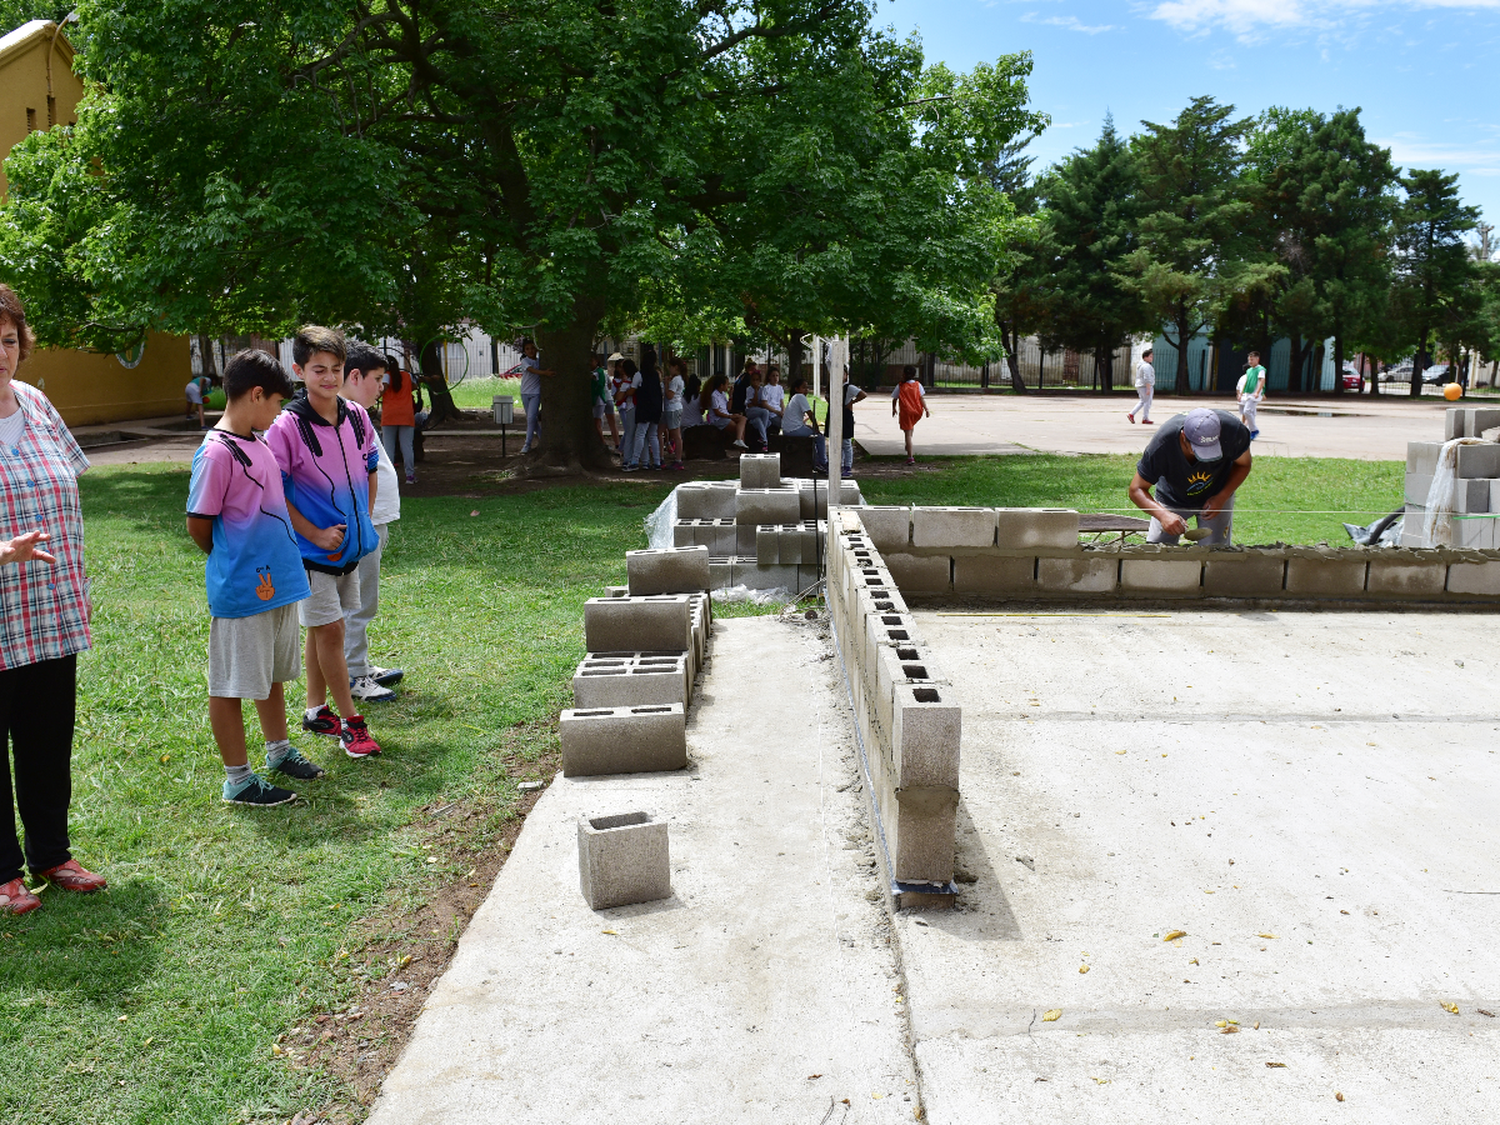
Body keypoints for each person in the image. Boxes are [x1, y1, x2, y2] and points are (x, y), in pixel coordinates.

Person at [0, 284, 108, 915]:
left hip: (48, 607)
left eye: (10, 340)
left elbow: (68, 492)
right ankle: (2, 873)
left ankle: (51, 853)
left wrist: (78, 586)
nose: (2, 353)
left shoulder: (38, 405)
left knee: (46, 739)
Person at [187, 349, 323, 808]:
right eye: (277, 405)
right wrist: (233, 559)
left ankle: (279, 750)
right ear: (257, 394)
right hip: (245, 589)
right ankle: (238, 780)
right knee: (230, 683)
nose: (279, 414)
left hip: (279, 583)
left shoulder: (259, 441)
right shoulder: (216, 453)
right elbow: (199, 524)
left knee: (269, 676)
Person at [265, 326, 382, 758]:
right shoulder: (286, 427)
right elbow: (272, 490)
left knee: (324, 629)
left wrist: (363, 518)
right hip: (310, 552)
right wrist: (313, 533)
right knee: (331, 629)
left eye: (336, 369)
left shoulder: (356, 415)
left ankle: (317, 710)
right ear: (299, 371)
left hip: (347, 549)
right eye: (319, 370)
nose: (329, 377)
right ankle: (353, 723)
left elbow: (370, 465)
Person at [341, 345, 404, 704]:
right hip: (362, 523)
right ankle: (354, 674)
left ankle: (359, 664)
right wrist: (362, 520)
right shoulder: (345, 415)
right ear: (355, 376)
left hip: (372, 521)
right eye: (377, 379)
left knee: (365, 598)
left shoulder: (355, 414)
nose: (382, 387)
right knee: (358, 601)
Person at [1129, 407, 1253, 546]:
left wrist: (1222, 496)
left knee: (1215, 553)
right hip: (1172, 497)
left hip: (1217, 491)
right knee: (1157, 552)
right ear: (1183, 436)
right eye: (1197, 450)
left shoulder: (1233, 432)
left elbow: (1243, 465)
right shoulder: (1163, 444)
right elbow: (1136, 489)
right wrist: (1163, 515)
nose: (1204, 458)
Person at [379, 353, 418, 485]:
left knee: (388, 447)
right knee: (407, 446)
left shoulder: (385, 377)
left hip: (390, 415)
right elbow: (414, 386)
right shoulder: (407, 376)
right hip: (406, 414)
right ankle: (410, 476)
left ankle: (389, 478)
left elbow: (381, 391)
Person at [781, 374, 830, 472]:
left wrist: (806, 427)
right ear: (797, 389)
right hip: (793, 429)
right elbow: (810, 414)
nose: (806, 390)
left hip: (788, 429)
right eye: (804, 387)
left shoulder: (794, 398)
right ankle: (823, 462)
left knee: (813, 437)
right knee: (819, 437)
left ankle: (816, 461)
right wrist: (816, 428)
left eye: (807, 387)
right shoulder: (800, 397)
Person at [625, 348, 663, 471]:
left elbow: (632, 390)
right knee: (653, 435)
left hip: (644, 408)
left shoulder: (639, 374)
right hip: (656, 407)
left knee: (640, 434)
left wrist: (624, 392)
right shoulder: (656, 375)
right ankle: (657, 462)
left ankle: (635, 460)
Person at [516, 339, 554, 455]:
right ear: (524, 351)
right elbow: (531, 370)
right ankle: (543, 439)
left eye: (532, 348)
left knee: (531, 418)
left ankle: (527, 444)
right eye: (527, 349)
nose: (530, 351)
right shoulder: (524, 361)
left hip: (536, 393)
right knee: (532, 419)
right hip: (525, 392)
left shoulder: (540, 362)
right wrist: (544, 373)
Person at [892, 364, 931, 465]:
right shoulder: (918, 385)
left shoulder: (900, 385)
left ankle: (910, 456)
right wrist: (926, 409)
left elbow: (894, 399)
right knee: (911, 427)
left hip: (906, 411)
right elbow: (921, 398)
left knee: (907, 434)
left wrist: (894, 409)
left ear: (904, 374)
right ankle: (908, 446)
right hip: (917, 411)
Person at [703, 373, 749, 449]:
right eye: (727, 384)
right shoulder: (714, 395)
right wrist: (730, 416)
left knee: (743, 419)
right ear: (721, 385)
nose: (728, 386)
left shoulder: (723, 394)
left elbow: (728, 408)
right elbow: (717, 412)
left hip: (726, 416)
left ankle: (739, 441)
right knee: (739, 429)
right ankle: (740, 446)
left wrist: (730, 396)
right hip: (718, 419)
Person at [838, 375, 866, 478]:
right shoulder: (833, 385)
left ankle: (847, 467)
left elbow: (863, 394)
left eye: (843, 373)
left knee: (846, 442)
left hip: (846, 416)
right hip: (836, 415)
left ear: (846, 376)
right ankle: (839, 465)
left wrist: (851, 403)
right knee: (838, 442)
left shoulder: (849, 387)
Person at [591, 353, 621, 451]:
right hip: (608, 397)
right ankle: (617, 443)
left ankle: (604, 444)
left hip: (600, 399)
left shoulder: (596, 373)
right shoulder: (604, 372)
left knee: (598, 423)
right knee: (611, 423)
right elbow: (609, 385)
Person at [662, 357, 687, 470]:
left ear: (676, 367)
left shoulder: (676, 380)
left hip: (673, 408)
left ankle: (678, 460)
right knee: (663, 431)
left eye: (670, 367)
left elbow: (670, 395)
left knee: (676, 435)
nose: (669, 369)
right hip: (672, 408)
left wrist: (667, 384)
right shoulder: (678, 379)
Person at [1237, 351, 1266, 440]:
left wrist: (1258, 392)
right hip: (1248, 393)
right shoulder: (1249, 370)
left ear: (1257, 359)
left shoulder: (1260, 369)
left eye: (1252, 359)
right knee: (1250, 412)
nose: (1250, 361)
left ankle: (1254, 430)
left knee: (1247, 411)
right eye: (1249, 359)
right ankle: (1249, 430)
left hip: (1254, 394)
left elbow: (1262, 381)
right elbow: (1247, 381)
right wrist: (1241, 393)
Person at [743, 367, 772, 452]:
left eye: (757, 380)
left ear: (760, 381)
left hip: (757, 414)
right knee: (765, 412)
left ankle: (764, 441)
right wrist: (755, 391)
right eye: (753, 380)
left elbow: (763, 403)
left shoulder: (763, 389)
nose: (755, 382)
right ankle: (765, 435)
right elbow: (754, 403)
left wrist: (757, 404)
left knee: (758, 421)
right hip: (750, 411)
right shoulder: (749, 389)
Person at [614, 356, 638, 457]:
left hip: (630, 406)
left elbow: (620, 396)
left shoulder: (630, 380)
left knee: (630, 431)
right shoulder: (617, 381)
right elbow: (616, 396)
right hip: (625, 407)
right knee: (631, 430)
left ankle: (628, 454)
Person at [1128, 346, 1155, 425]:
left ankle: (1132, 414)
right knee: (1147, 402)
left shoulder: (1141, 365)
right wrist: (1148, 388)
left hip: (1140, 385)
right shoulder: (1146, 366)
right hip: (1144, 386)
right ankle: (1145, 418)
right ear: (1145, 357)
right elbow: (1147, 378)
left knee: (1143, 401)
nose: (1152, 358)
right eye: (1150, 356)